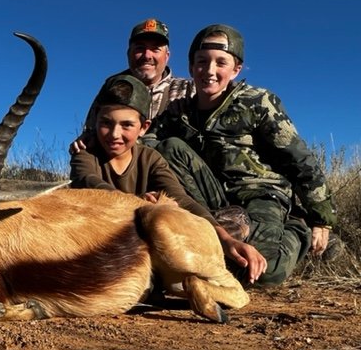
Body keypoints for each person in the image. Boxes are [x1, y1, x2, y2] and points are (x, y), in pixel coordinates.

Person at [146, 24, 337, 285]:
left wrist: (321, 220)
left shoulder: (258, 102)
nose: (210, 71)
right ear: (191, 67)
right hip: (216, 199)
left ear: (236, 69)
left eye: (220, 62)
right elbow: (145, 145)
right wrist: (93, 145)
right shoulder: (178, 111)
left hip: (261, 195)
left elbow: (299, 159)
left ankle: (296, 225)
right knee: (169, 148)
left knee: (265, 274)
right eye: (201, 62)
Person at [70, 74, 267, 284]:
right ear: (95, 120)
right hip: (102, 241)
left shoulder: (150, 158)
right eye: (106, 123)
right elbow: (88, 182)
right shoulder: (86, 155)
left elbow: (181, 198)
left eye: (127, 125)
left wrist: (225, 239)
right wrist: (139, 203)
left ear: (144, 127)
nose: (114, 134)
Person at [70, 18, 193, 154]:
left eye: (155, 49)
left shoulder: (187, 89)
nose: (147, 55)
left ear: (167, 56)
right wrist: (86, 139)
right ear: (129, 54)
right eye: (140, 48)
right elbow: (91, 129)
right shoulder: (112, 86)